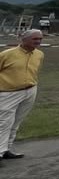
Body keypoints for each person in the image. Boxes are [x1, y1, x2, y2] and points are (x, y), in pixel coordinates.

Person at [0, 29, 45, 160]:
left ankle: (7, 148)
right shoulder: (7, 54)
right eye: (35, 39)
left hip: (30, 91)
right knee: (4, 122)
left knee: (16, 122)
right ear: (23, 39)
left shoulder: (39, 54)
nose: (38, 42)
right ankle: (0, 151)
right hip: (8, 93)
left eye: (40, 39)